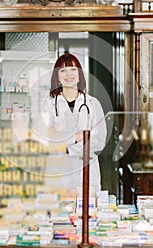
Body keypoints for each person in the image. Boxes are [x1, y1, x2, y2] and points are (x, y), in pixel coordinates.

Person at [42, 53, 107, 194]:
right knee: (57, 213)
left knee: (86, 211)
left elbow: (98, 141)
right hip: (58, 172)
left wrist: (66, 148)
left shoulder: (92, 104)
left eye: (72, 69)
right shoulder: (48, 105)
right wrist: (76, 138)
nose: (68, 74)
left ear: (79, 74)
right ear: (57, 77)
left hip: (86, 169)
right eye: (62, 70)